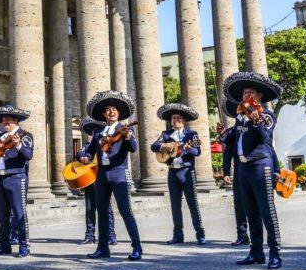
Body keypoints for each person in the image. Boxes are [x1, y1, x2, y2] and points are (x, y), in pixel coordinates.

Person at [223, 72, 283, 270]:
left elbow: (265, 138)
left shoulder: (267, 115)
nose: (245, 95)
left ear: (259, 96)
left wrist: (256, 121)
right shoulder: (240, 117)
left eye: (250, 92)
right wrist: (224, 136)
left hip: (260, 165)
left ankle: (275, 254)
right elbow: (234, 140)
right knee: (251, 213)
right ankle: (256, 252)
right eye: (243, 92)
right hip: (243, 167)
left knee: (267, 211)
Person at [78, 90, 142, 261]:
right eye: (108, 110)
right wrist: (85, 157)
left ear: (118, 113)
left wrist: (128, 137)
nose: (111, 112)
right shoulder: (98, 133)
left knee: (125, 210)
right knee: (102, 211)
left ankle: (137, 247)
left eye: (114, 110)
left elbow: (133, 148)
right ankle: (102, 248)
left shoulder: (124, 129)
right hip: (102, 174)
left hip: (118, 172)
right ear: (104, 114)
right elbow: (88, 152)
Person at [151, 102, 205, 245]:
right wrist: (165, 145)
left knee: (192, 203)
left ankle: (200, 233)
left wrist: (188, 148)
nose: (176, 120)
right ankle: (178, 234)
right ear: (171, 121)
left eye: (179, 118)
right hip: (172, 172)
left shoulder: (191, 135)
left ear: (184, 120)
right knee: (175, 205)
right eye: (174, 118)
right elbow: (153, 146)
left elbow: (197, 151)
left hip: (187, 171)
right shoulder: (166, 134)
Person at [0, 104, 33, 258]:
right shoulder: (0, 137)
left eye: (8, 120)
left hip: (17, 177)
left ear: (16, 121)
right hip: (1, 177)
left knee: (19, 213)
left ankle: (24, 245)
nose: (5, 123)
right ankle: (4, 245)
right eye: (3, 121)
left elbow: (28, 155)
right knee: (2, 214)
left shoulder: (25, 135)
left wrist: (18, 145)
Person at [77, 117, 116, 246]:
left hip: (102, 179)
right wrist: (83, 157)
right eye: (93, 131)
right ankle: (90, 235)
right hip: (89, 181)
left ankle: (111, 235)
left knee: (106, 209)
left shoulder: (107, 142)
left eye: (97, 130)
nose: (95, 132)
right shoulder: (87, 145)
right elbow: (80, 153)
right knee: (89, 209)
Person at [217, 105, 250, 247]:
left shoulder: (257, 125)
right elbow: (227, 154)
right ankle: (242, 235)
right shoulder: (232, 131)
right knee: (239, 204)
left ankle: (260, 236)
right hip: (239, 170)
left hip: (255, 169)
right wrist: (226, 173)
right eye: (240, 112)